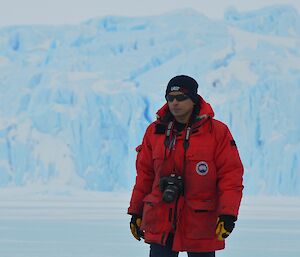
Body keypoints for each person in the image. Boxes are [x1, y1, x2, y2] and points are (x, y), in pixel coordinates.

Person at [128, 75, 244, 257]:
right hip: (161, 218)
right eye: (170, 98)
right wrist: (136, 212)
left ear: (194, 99)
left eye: (181, 97)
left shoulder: (217, 132)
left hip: (201, 222)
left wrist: (228, 214)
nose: (175, 103)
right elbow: (145, 176)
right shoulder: (155, 132)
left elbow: (230, 176)